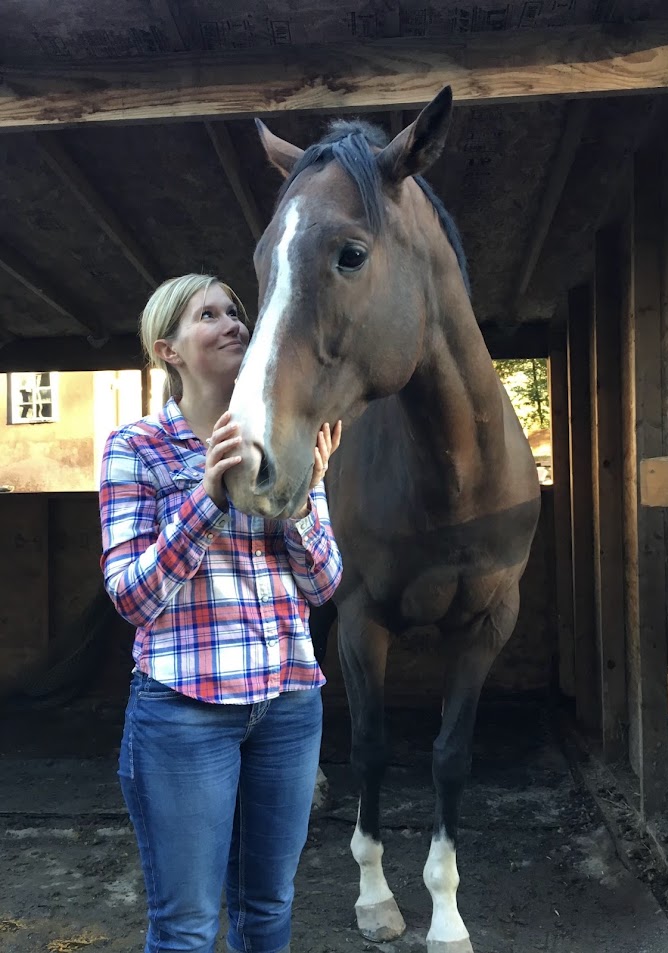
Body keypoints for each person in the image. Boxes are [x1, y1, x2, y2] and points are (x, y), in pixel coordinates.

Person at [98, 274, 343, 953]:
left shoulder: (287, 437)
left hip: (288, 706)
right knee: (186, 927)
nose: (234, 321)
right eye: (208, 314)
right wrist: (208, 496)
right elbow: (131, 597)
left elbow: (324, 586)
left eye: (235, 310)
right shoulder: (135, 447)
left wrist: (300, 502)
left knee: (268, 909)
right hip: (184, 713)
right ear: (168, 349)